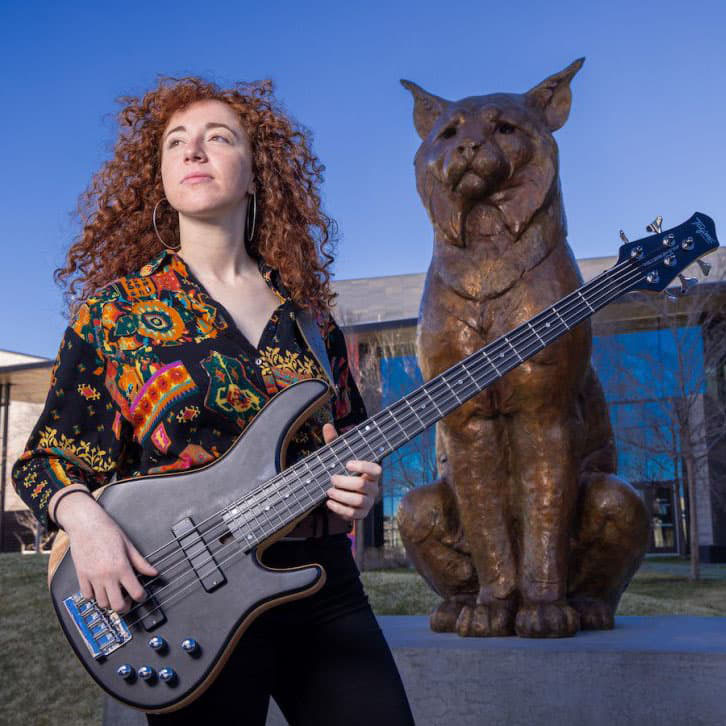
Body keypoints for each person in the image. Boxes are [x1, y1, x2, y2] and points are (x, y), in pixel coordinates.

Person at [11, 77, 415, 726]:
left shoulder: (309, 320)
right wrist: (86, 525)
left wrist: (360, 492)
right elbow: (43, 462)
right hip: (183, 596)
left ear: (257, 174)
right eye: (177, 142)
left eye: (218, 137)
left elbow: (353, 443)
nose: (195, 150)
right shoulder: (116, 314)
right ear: (161, 179)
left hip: (322, 586)